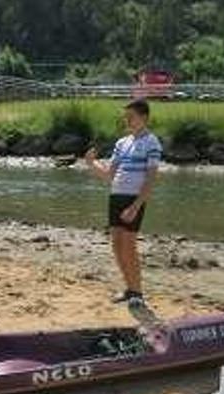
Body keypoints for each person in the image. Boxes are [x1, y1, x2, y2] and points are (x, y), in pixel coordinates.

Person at [84, 99, 162, 310]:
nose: (127, 120)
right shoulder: (121, 143)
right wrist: (92, 164)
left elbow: (151, 179)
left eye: (131, 117)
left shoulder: (152, 142)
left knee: (129, 245)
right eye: (125, 117)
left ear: (144, 118)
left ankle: (137, 293)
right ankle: (129, 290)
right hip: (116, 196)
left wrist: (136, 205)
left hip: (133, 199)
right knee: (117, 244)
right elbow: (110, 175)